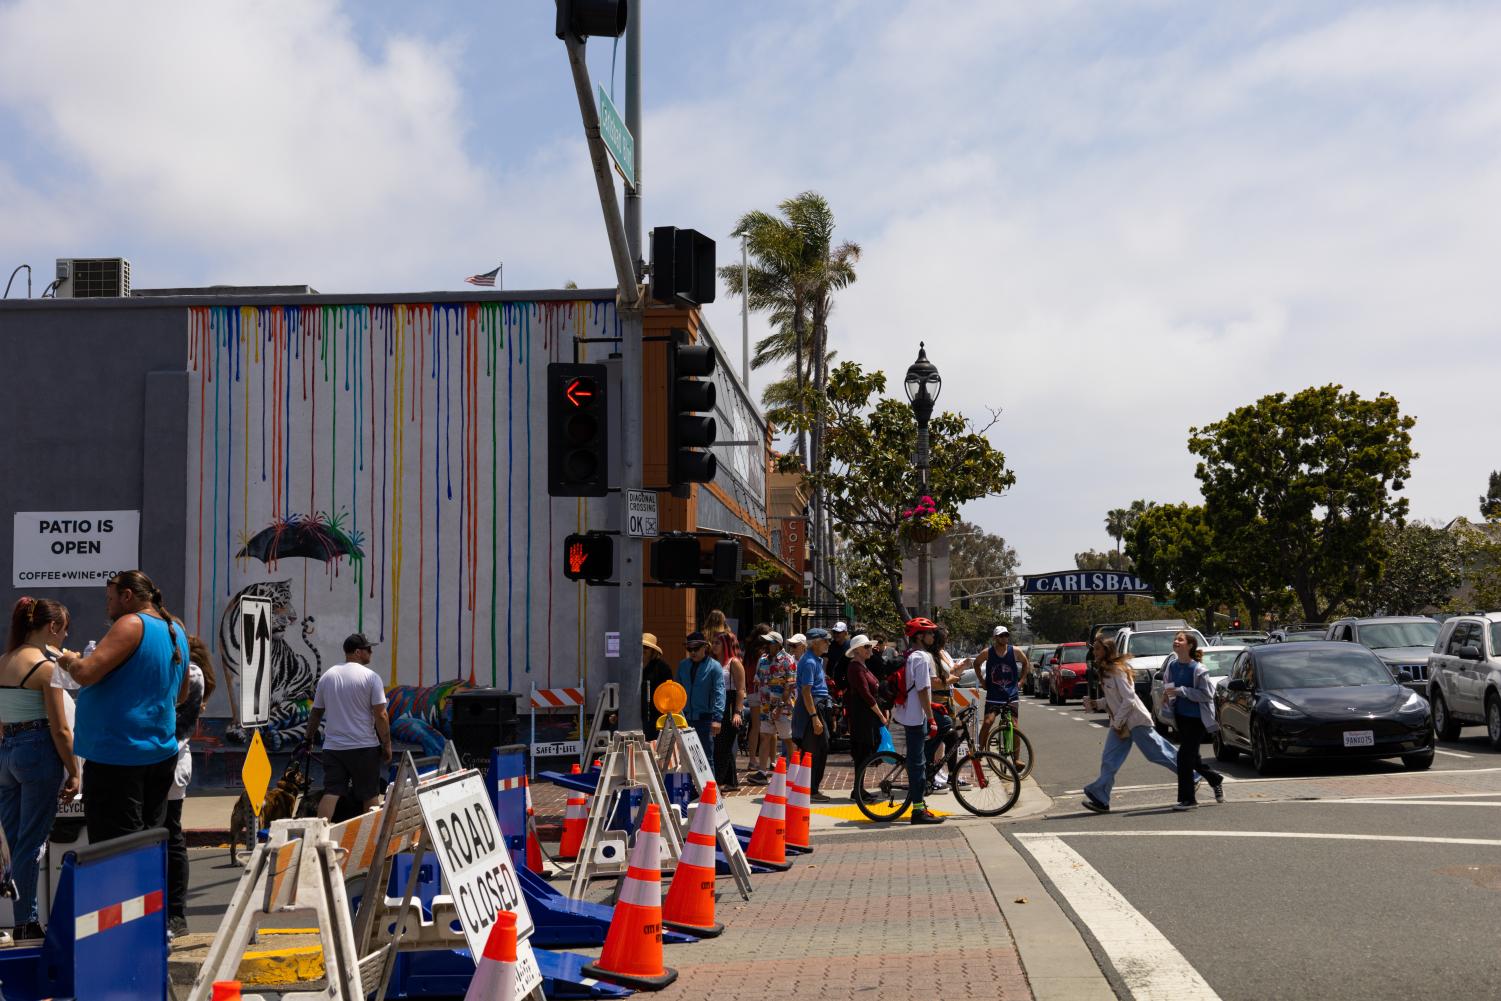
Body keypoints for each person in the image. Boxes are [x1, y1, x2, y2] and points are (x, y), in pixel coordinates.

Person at [56, 570, 187, 845]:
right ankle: (150, 889)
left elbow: (86, 673)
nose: (107, 605)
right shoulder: (174, 629)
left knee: (116, 850)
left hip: (119, 757)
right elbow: (182, 692)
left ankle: (127, 890)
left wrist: (68, 660)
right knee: (148, 843)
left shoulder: (131, 624)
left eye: (110, 598)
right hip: (157, 754)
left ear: (127, 596)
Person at [0, 598, 79, 940]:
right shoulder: (48, 669)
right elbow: (60, 729)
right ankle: (26, 922)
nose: (64, 638)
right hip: (37, 748)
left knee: (12, 840)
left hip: (6, 752)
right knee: (31, 842)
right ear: (52, 627)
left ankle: (16, 918)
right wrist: (73, 770)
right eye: (64, 630)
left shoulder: (4, 661)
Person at [1080, 634, 1196, 813]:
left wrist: (1118, 722)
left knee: (1160, 753)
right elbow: (1116, 700)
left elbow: (1129, 700)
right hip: (1120, 723)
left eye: (1097, 649)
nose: (1093, 652)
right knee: (1109, 760)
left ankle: (1193, 776)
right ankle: (1101, 798)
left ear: (1107, 651)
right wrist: (1097, 703)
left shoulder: (1118, 670)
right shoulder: (1106, 670)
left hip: (1135, 721)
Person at [305, 633, 392, 819]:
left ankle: (320, 836)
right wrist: (387, 745)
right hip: (364, 747)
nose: (371, 652)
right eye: (369, 649)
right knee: (369, 796)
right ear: (358, 652)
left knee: (331, 792)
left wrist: (308, 738)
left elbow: (316, 712)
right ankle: (370, 841)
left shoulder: (328, 677)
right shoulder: (371, 678)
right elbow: (381, 715)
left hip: (333, 748)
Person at [164, 636, 209, 937]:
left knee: (170, 834)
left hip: (171, 758)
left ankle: (176, 914)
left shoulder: (189, 673)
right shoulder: (174, 671)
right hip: (160, 761)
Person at [1161, 630, 1225, 810]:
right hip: (1181, 717)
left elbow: (1207, 694)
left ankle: (1188, 800)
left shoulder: (1198, 669)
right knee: (1193, 759)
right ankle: (1215, 779)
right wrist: (1168, 695)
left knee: (1183, 757)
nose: (1176, 641)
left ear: (1190, 646)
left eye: (1180, 639)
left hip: (1197, 719)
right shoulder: (1172, 666)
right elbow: (1170, 688)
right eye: (1175, 639)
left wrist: (1182, 691)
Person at [893, 618, 943, 825]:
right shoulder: (922, 658)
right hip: (915, 718)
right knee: (917, 764)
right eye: (930, 633)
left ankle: (925, 768)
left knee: (921, 758)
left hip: (910, 714)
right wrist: (931, 718)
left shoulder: (911, 655)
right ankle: (918, 810)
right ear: (920, 637)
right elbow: (923, 689)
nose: (933, 636)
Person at [703, 611, 744, 791]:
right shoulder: (712, 662)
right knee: (721, 744)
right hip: (717, 702)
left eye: (718, 642)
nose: (714, 645)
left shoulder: (734, 662)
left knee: (723, 745)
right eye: (714, 642)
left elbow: (741, 689)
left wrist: (737, 711)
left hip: (730, 702)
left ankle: (719, 781)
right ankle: (731, 781)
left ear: (726, 644)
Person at [792, 627, 833, 802]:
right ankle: (810, 790)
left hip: (818, 707)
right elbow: (806, 691)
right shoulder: (809, 662)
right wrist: (814, 717)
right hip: (813, 710)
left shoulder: (814, 660)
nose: (828, 643)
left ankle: (809, 788)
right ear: (816, 642)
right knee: (816, 750)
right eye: (826, 640)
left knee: (819, 749)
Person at [750, 633, 797, 781]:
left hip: (783, 708)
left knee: (788, 739)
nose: (766, 645)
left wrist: (780, 706)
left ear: (777, 644)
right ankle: (762, 772)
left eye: (769, 642)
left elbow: (790, 686)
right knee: (764, 736)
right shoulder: (762, 660)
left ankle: (794, 772)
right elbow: (757, 679)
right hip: (766, 707)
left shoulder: (788, 660)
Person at [978, 626, 1031, 752]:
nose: (1004, 638)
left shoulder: (1015, 651)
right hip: (994, 696)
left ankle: (1017, 759)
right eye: (1001, 636)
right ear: (995, 638)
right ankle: (980, 751)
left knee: (1015, 727)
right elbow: (976, 663)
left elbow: (1025, 662)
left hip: (1011, 695)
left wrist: (1021, 681)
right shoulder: (988, 652)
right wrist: (982, 681)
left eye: (1006, 635)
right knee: (987, 722)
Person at [677, 632, 725, 758]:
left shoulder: (714, 667)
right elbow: (677, 690)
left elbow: (720, 692)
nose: (693, 652)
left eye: (696, 648)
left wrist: (717, 719)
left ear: (705, 647)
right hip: (685, 719)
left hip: (705, 720)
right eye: (689, 649)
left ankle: (709, 779)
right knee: (685, 758)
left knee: (706, 758)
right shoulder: (683, 665)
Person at [843, 634, 887, 770]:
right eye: (866, 647)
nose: (870, 649)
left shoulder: (862, 666)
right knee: (861, 754)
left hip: (866, 717)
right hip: (861, 717)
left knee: (865, 755)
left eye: (870, 646)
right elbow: (866, 694)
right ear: (857, 650)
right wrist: (881, 715)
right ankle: (857, 790)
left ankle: (859, 789)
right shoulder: (855, 668)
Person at [639, 633, 673, 739]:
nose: (643, 650)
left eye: (646, 647)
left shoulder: (663, 668)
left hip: (655, 717)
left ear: (653, 651)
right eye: (640, 646)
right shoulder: (633, 666)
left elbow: (669, 692)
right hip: (635, 716)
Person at [825, 621, 851, 695]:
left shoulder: (850, 646)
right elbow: (825, 660)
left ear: (845, 633)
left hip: (847, 683)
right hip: (831, 683)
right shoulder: (830, 645)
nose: (836, 635)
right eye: (834, 632)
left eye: (838, 632)